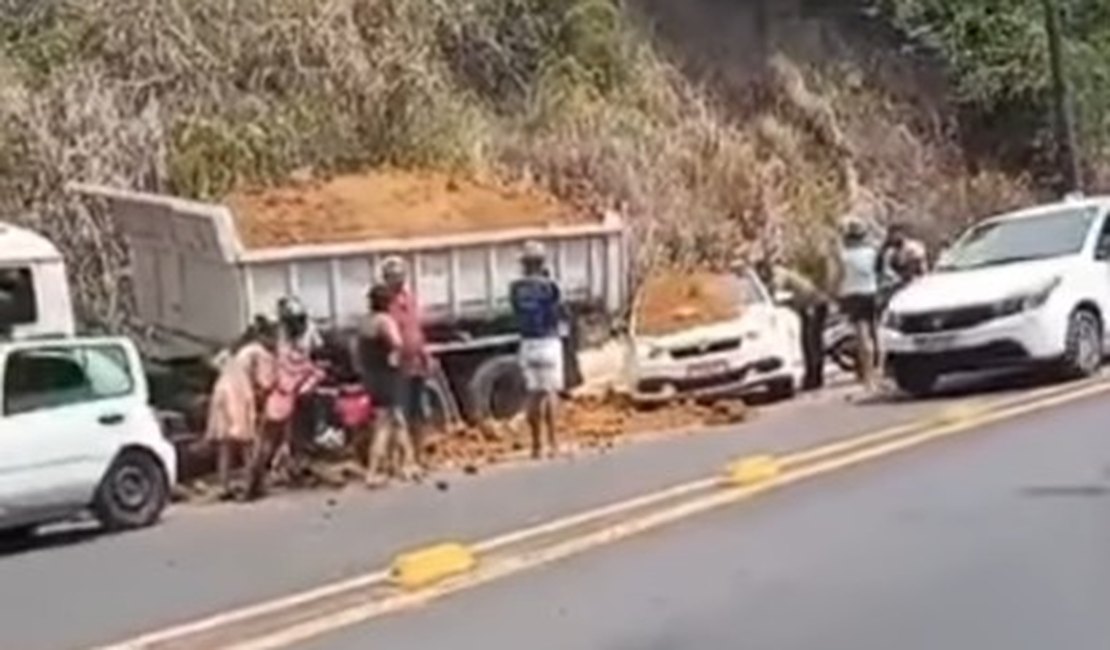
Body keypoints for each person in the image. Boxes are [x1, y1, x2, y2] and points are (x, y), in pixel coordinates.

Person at [206, 317, 278, 499]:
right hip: (238, 392)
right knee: (246, 441)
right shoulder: (259, 352)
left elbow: (214, 363)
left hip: (221, 390)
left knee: (226, 444)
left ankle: (224, 485)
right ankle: (250, 485)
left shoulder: (237, 351)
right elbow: (265, 382)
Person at [358, 283, 419, 487]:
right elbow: (397, 343)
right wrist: (398, 356)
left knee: (398, 420)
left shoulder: (365, 322)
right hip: (387, 376)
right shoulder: (385, 321)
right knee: (384, 425)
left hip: (372, 377)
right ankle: (373, 471)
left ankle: (409, 465)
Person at [510, 241, 565, 459]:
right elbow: (558, 307)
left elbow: (515, 308)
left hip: (528, 342)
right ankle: (553, 443)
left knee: (533, 391)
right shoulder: (549, 286)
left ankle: (536, 446)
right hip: (548, 341)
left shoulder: (515, 288)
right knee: (549, 392)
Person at [379, 256, 434, 464]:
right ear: (386, 279)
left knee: (418, 413)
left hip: (416, 365)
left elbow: (416, 330)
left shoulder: (409, 299)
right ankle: (399, 459)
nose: (398, 280)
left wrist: (425, 355)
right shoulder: (384, 305)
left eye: (401, 276)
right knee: (397, 414)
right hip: (396, 367)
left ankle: (418, 456)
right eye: (393, 277)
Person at [755, 256, 829, 390]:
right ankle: (813, 376)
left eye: (761, 272)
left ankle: (815, 377)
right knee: (810, 342)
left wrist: (774, 297)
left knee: (811, 343)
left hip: (813, 304)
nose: (761, 275)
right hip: (810, 303)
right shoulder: (781, 273)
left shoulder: (779, 274)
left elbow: (776, 293)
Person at [830, 217, 881, 391]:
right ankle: (878, 372)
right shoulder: (872, 252)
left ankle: (868, 378)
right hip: (871, 293)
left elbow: (838, 277)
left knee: (862, 337)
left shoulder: (844, 256)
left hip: (853, 295)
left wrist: (833, 293)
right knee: (875, 335)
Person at [877, 222, 928, 304]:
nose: (893, 238)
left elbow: (914, 268)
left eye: (895, 234)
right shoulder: (892, 251)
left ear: (902, 234)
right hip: (900, 284)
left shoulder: (913, 247)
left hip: (916, 283)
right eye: (890, 236)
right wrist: (883, 248)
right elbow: (880, 268)